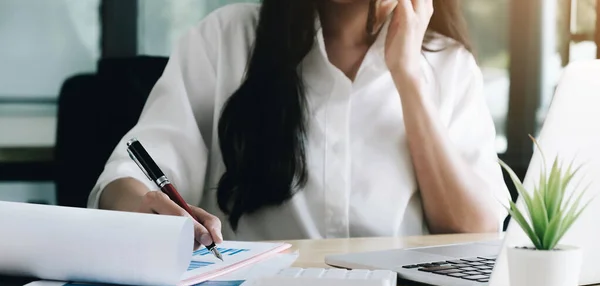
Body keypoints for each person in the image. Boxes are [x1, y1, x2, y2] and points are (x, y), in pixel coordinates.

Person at [89, 0, 510, 249]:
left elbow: (476, 231)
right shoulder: (225, 39)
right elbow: (132, 177)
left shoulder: (448, 64)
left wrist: (408, 75)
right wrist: (140, 208)